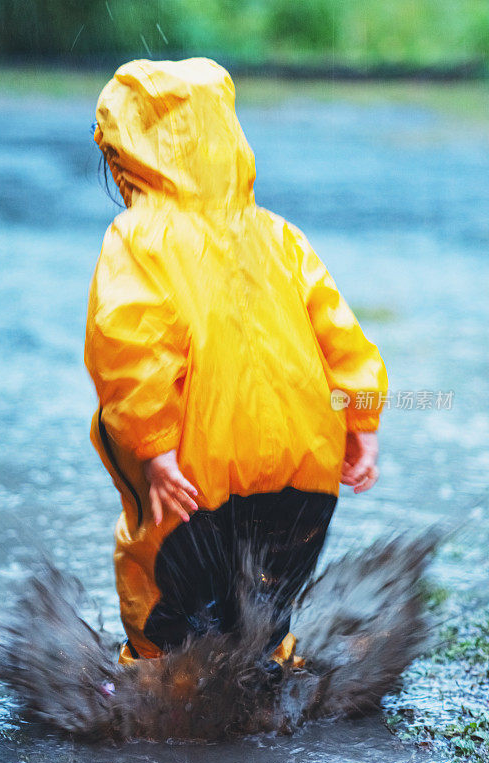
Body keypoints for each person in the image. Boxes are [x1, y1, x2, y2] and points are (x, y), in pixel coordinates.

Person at [84, 57, 388, 668]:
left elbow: (131, 343)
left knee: (165, 609)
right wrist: (362, 423)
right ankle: (275, 684)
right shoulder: (279, 235)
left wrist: (155, 448)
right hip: (305, 472)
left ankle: (152, 693)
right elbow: (341, 334)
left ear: (129, 157)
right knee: (267, 604)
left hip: (197, 479)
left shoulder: (140, 237)